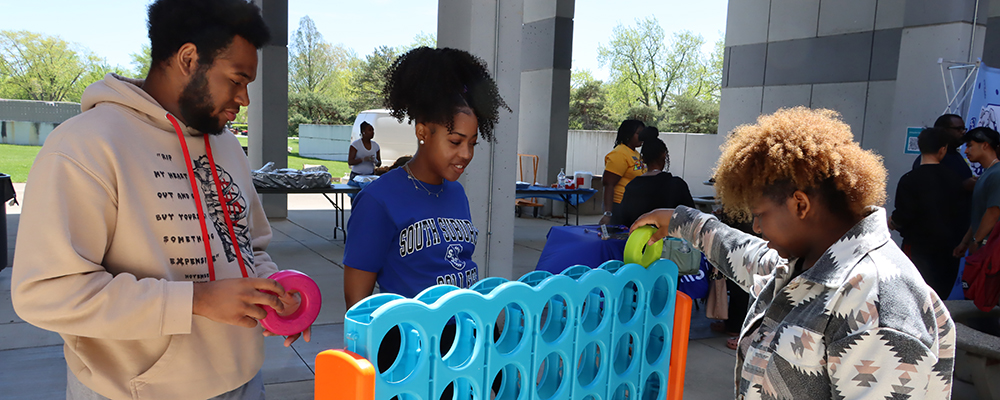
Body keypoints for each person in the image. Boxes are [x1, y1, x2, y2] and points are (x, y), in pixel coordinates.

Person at [11, 1, 310, 399]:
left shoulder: (227, 147)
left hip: (243, 381)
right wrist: (196, 300)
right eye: (237, 80)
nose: (245, 99)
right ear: (189, 58)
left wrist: (273, 293)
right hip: (135, 391)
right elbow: (46, 292)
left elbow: (248, 246)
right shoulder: (86, 145)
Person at [632, 107, 955, 399]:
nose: (756, 227)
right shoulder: (810, 263)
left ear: (800, 204)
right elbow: (752, 258)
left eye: (759, 214)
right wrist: (682, 221)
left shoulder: (878, 305)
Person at [341, 47, 508, 375]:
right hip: (414, 346)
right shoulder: (379, 200)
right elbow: (358, 305)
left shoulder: (457, 193)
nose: (466, 154)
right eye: (456, 141)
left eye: (473, 143)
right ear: (422, 132)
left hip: (467, 331)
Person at [892, 127, 968, 298]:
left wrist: (893, 222)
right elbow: (962, 214)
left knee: (913, 291)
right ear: (943, 149)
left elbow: (904, 214)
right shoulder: (955, 179)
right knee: (939, 295)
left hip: (917, 246)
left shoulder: (909, 179)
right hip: (948, 248)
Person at [617, 136, 694, 227]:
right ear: (664, 155)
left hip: (637, 239)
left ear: (643, 159)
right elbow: (691, 218)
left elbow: (623, 221)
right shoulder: (677, 185)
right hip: (668, 239)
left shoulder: (632, 186)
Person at [954, 127, 1000, 257]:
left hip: (991, 249)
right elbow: (979, 214)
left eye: (970, 146)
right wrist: (965, 241)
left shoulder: (997, 174)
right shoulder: (987, 173)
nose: (966, 151)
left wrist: (976, 240)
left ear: (985, 145)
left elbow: (993, 212)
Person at [599, 119, 646, 225]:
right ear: (628, 134)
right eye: (638, 133)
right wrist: (608, 213)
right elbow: (608, 184)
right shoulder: (620, 153)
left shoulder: (635, 153)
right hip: (618, 206)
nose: (641, 137)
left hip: (632, 205)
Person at [911, 113, 975, 190]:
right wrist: (963, 185)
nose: (963, 132)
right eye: (959, 129)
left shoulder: (954, 154)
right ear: (944, 130)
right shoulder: (931, 156)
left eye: (964, 129)